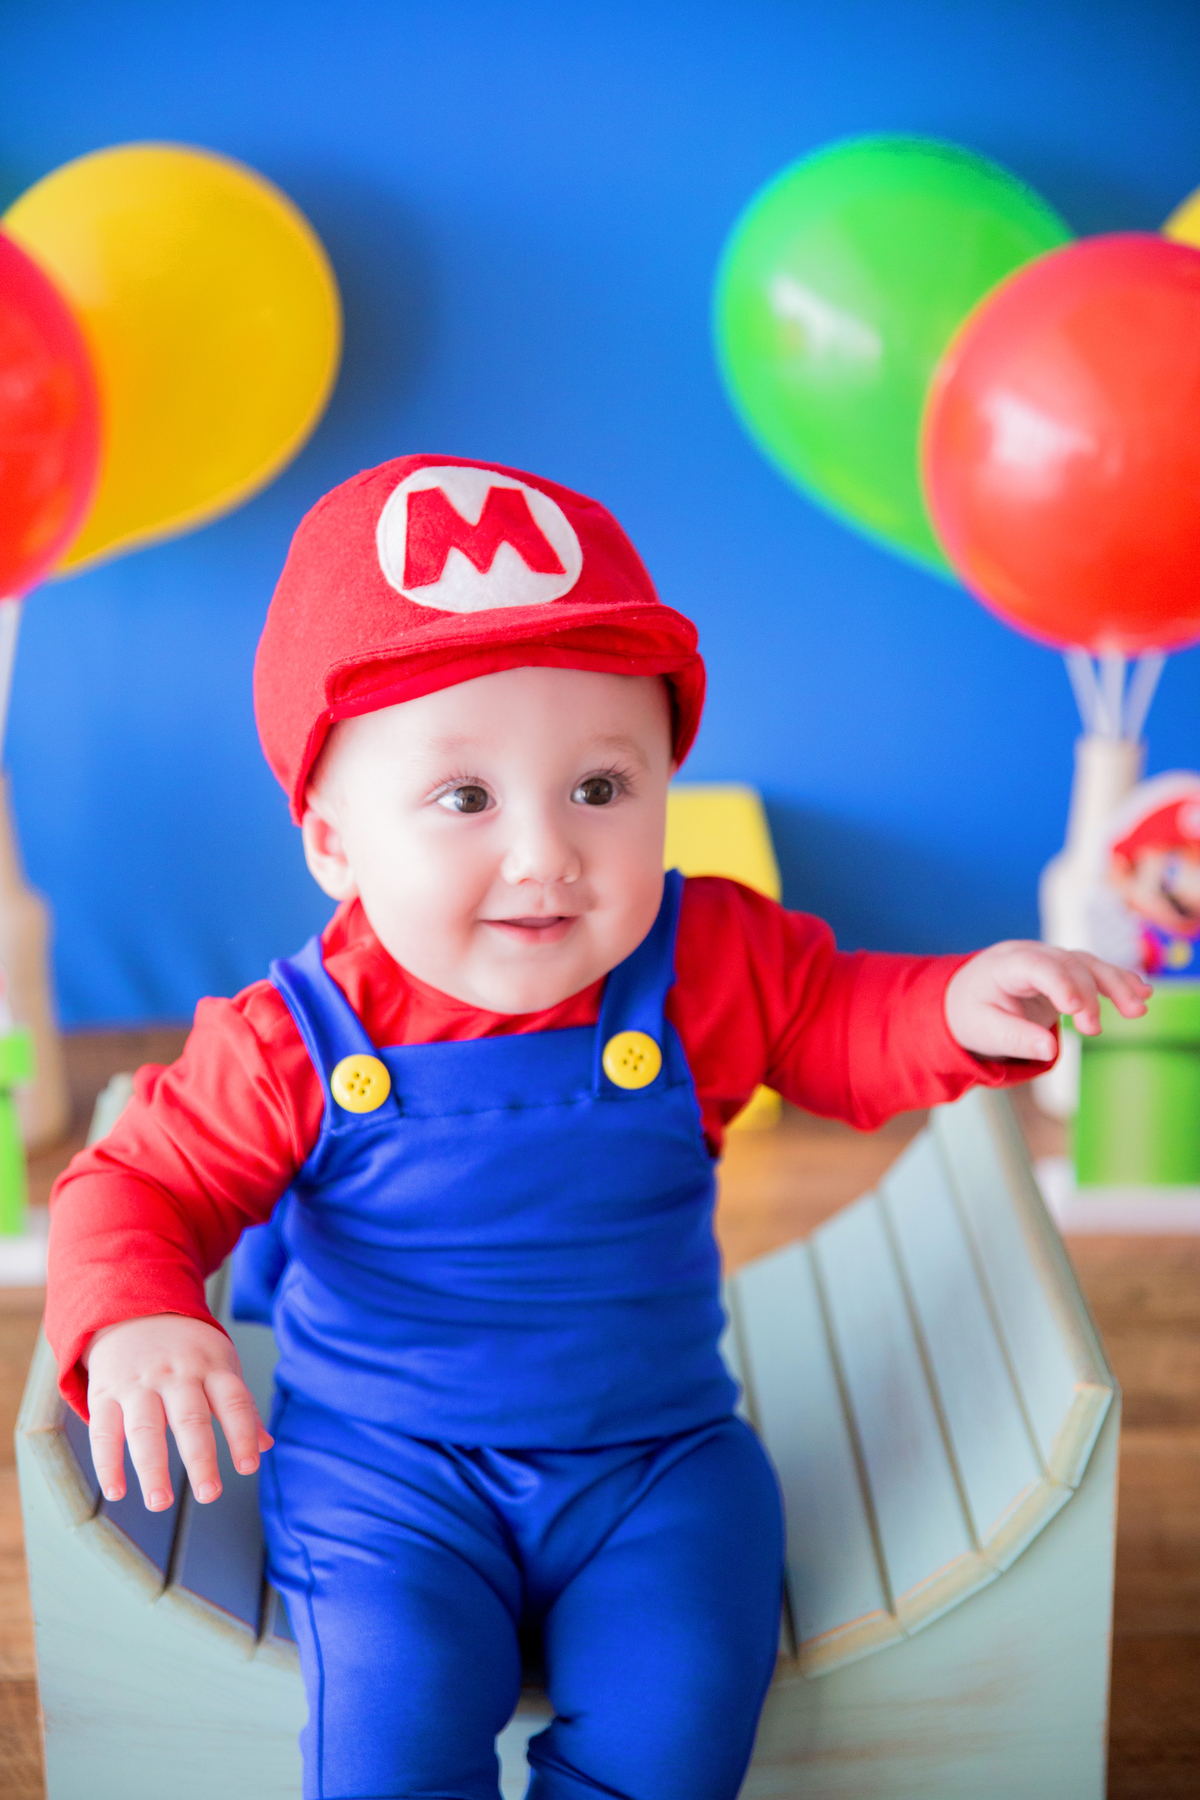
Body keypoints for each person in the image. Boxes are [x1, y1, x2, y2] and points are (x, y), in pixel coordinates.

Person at [45, 455, 1148, 1800]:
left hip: (653, 1458)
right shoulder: (294, 1039)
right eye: (466, 799)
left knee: (681, 1709)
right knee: (389, 1730)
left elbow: (839, 1022)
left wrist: (960, 1005)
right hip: (385, 1475)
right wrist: (140, 1314)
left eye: (602, 788)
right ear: (333, 843)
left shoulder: (705, 959)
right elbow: (135, 1184)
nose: (546, 853)